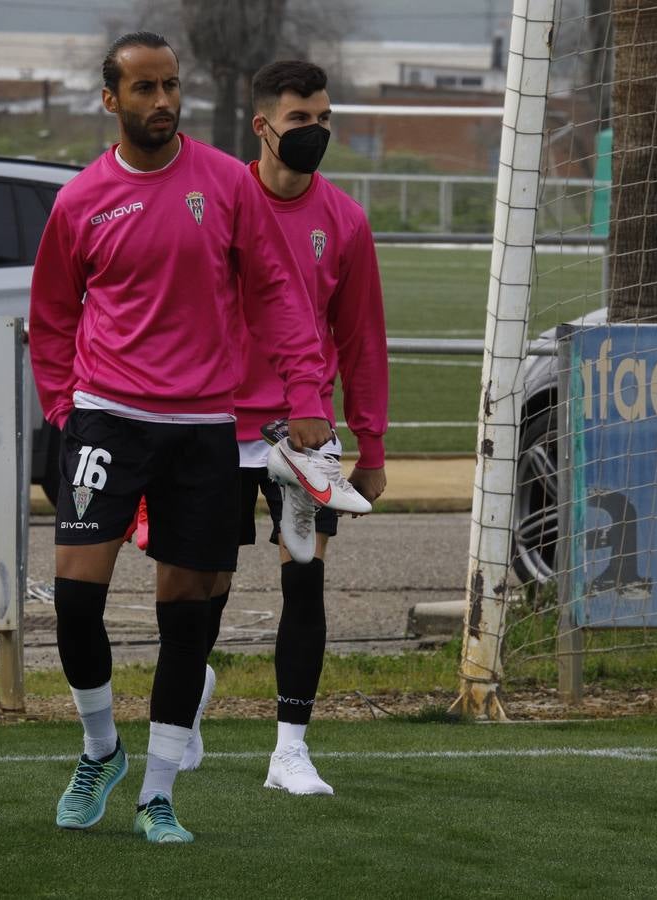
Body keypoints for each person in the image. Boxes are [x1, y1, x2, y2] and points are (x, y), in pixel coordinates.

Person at [29, 32, 332, 844]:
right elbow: (54, 315)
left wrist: (307, 393)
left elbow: (275, 292)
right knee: (74, 599)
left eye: (170, 88)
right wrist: (63, 410)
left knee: (186, 612)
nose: (161, 102)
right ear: (111, 100)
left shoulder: (228, 186)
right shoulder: (81, 199)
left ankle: (158, 793)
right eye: (143, 90)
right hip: (105, 416)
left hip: (202, 426)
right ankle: (101, 749)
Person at [182, 60, 389, 794]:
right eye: (301, 119)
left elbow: (362, 339)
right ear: (263, 126)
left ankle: (290, 751)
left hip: (304, 432)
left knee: (305, 579)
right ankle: (187, 697)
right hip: (212, 421)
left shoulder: (346, 221)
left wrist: (373, 443)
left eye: (325, 117)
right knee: (205, 586)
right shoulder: (213, 202)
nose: (317, 131)